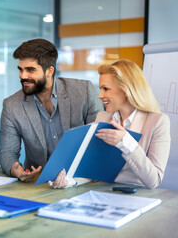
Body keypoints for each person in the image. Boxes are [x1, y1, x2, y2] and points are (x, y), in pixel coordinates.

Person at [50, 59, 171, 189]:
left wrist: (126, 142)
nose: (100, 95)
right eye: (101, 88)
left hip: (138, 195)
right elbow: (94, 169)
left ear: (126, 89)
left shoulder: (158, 122)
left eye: (106, 89)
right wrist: (69, 181)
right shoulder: (103, 118)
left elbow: (154, 180)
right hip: (104, 192)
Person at [0, 38, 103, 182]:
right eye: (21, 69)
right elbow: (7, 152)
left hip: (81, 180)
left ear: (49, 71)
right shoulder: (12, 105)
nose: (23, 76)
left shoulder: (83, 92)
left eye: (30, 70)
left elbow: (99, 142)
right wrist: (15, 169)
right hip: (38, 183)